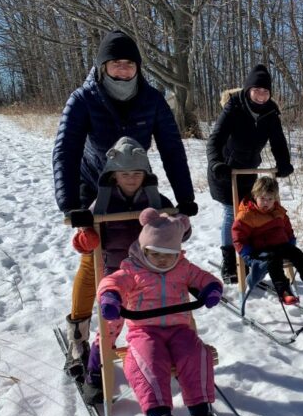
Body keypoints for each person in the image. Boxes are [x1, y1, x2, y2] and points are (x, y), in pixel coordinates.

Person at [53, 29, 198, 382]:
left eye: (129, 64)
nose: (122, 69)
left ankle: (157, 325)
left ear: (137, 67)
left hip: (137, 183)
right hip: (94, 187)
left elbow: (171, 147)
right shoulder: (84, 98)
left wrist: (185, 197)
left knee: (146, 253)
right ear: (102, 67)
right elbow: (66, 149)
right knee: (96, 259)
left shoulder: (152, 99)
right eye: (115, 63)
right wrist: (71, 205)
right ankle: (79, 334)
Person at [70, 136, 185, 404]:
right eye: (124, 174)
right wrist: (86, 238)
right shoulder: (102, 202)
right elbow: (84, 236)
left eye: (136, 173)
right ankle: (95, 373)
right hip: (117, 272)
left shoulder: (156, 199)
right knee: (110, 324)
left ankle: (180, 357)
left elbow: (175, 229)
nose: (131, 179)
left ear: (145, 174)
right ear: (114, 175)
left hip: (154, 270)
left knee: (172, 314)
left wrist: (183, 225)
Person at [97, 208, 223, 416]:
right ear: (144, 249)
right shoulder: (132, 269)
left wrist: (211, 288)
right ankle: (159, 413)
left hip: (179, 328)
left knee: (196, 353)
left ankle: (199, 408)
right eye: (155, 253)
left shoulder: (183, 267)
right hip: (144, 330)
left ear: (178, 252)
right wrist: (111, 296)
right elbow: (113, 282)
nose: (163, 259)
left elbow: (202, 277)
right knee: (148, 360)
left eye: (169, 254)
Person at [206, 64, 294, 284]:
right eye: (257, 90)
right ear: (248, 90)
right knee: (232, 212)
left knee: (250, 213)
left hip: (249, 170)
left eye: (265, 91)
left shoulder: (271, 112)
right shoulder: (234, 106)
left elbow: (278, 141)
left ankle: (247, 255)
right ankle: (230, 260)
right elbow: (215, 139)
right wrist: (216, 163)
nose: (261, 96)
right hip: (225, 170)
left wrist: (283, 162)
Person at [232, 176, 303, 305]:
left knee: (298, 255)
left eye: (270, 199)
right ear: (255, 196)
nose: (266, 202)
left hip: (282, 245)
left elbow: (287, 227)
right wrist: (247, 254)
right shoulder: (247, 215)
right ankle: (285, 292)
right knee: (273, 262)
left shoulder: (278, 211)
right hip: (262, 249)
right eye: (262, 198)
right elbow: (238, 237)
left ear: (275, 199)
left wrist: (291, 241)